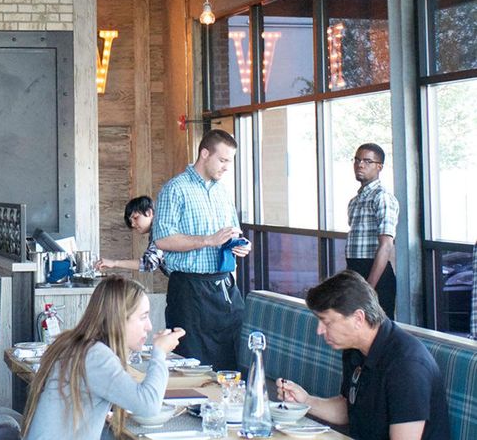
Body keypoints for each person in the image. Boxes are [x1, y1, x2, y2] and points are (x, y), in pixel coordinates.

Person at [277, 270, 450, 440]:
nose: (319, 330)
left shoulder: (407, 366)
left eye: (326, 321)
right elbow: (350, 408)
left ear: (358, 319)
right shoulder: (355, 349)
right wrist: (305, 401)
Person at [21, 275, 184, 440]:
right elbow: (148, 405)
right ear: (119, 319)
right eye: (143, 317)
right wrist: (160, 353)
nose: (149, 326)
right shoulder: (95, 356)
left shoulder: (79, 346)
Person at [152, 129, 250, 369]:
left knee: (233, 357)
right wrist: (207, 240)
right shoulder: (175, 189)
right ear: (205, 153)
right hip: (189, 289)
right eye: (223, 160)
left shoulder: (223, 192)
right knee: (192, 362)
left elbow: (232, 232)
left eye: (230, 161)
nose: (227, 167)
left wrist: (241, 245)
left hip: (225, 287)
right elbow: (162, 240)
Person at [346, 143, 399, 318]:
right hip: (356, 272)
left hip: (376, 274)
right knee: (352, 330)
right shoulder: (355, 201)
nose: (360, 165)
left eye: (367, 161)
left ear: (379, 167)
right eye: (357, 160)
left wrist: (369, 286)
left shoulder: (382, 197)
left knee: (376, 333)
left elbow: (386, 245)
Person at [96, 196, 166, 275]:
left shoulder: (161, 230)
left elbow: (148, 263)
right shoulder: (158, 230)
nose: (132, 224)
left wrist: (114, 263)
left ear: (149, 213)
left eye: (135, 218)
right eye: (131, 221)